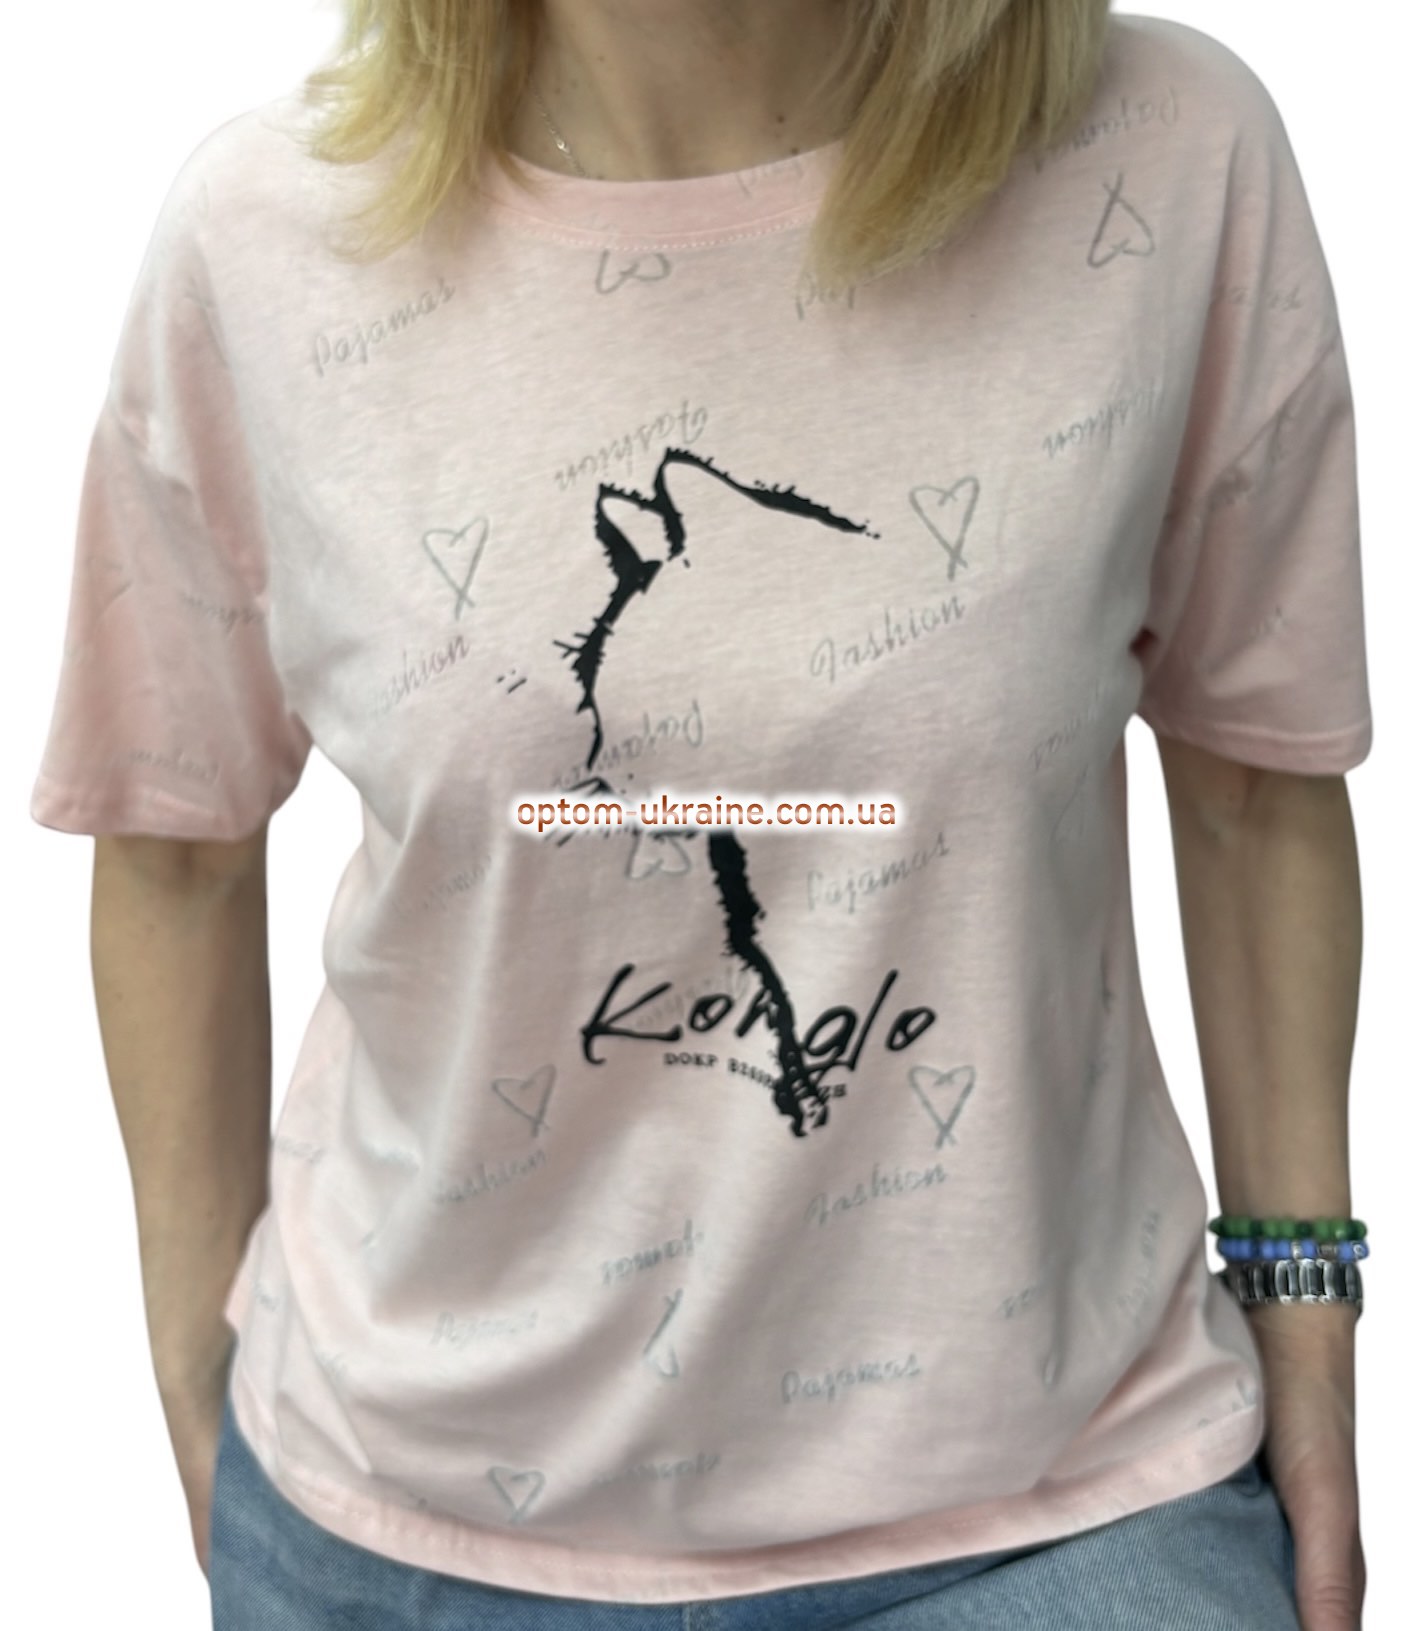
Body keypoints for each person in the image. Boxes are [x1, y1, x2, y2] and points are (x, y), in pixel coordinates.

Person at [29, 1, 1369, 1627]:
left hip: (1058, 1502)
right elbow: (173, 842)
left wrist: (1305, 1301)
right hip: (403, 1525)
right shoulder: (263, 238)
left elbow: (1250, 784)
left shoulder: (1161, 155)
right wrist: (189, 1368)